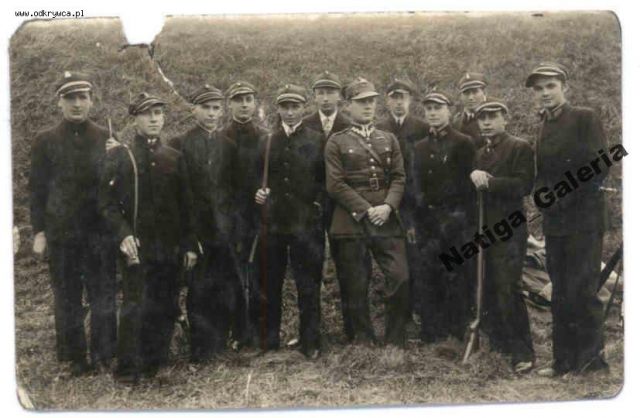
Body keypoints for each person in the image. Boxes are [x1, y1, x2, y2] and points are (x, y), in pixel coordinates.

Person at [99, 92, 198, 383]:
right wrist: (123, 234)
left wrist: (189, 245)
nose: (154, 119)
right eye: (147, 114)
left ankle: (157, 361)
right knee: (135, 303)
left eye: (158, 113)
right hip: (137, 247)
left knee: (166, 300)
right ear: (135, 120)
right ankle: (129, 368)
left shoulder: (174, 157)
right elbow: (106, 204)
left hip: (169, 246)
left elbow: (187, 206)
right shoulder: (120, 157)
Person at [29, 71, 118, 376]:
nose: (77, 104)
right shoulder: (45, 140)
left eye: (82, 97)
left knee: (103, 293)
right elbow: (37, 190)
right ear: (59, 103)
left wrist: (116, 157)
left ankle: (104, 355)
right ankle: (74, 359)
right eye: (70, 99)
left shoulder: (106, 137)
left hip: (99, 233)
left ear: (91, 101)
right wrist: (39, 232)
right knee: (67, 297)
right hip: (62, 233)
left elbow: (117, 187)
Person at [526, 63, 610, 377]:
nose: (545, 93)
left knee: (583, 290)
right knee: (560, 291)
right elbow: (543, 173)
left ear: (564, 87)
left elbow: (599, 167)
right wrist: (540, 196)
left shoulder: (584, 118)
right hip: (555, 223)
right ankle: (563, 361)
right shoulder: (543, 125)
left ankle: (590, 363)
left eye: (550, 86)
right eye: (539, 88)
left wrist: (562, 198)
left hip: (584, 219)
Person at [324, 78, 409, 347]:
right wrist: (366, 209)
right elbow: (335, 184)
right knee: (355, 283)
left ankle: (395, 339)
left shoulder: (389, 138)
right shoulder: (336, 142)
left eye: (371, 101)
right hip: (351, 221)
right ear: (348, 106)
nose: (368, 106)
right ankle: (362, 339)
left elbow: (399, 177)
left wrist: (388, 206)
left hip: (386, 219)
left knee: (400, 276)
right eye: (362, 102)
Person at [254, 84, 325, 358]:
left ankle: (310, 341)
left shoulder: (318, 140)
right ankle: (269, 341)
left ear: (304, 108)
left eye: (295, 107)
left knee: (308, 285)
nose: (291, 112)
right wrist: (257, 193)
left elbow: (325, 180)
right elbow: (254, 177)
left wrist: (316, 206)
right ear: (278, 109)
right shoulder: (267, 141)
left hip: (306, 226)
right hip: (273, 225)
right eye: (285, 107)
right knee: (270, 284)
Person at [170, 85, 238, 363]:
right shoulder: (179, 144)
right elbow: (177, 194)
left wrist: (232, 226)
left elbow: (233, 189)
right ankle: (200, 346)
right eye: (206, 108)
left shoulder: (228, 145)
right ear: (194, 110)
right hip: (196, 230)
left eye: (215, 108)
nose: (211, 114)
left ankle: (221, 341)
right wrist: (187, 237)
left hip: (223, 229)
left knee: (223, 284)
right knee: (198, 288)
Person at [469, 98, 535, 373]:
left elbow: (524, 185)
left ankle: (523, 353)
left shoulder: (519, 147)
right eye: (482, 118)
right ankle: (499, 346)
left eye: (492, 117)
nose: (486, 122)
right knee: (489, 286)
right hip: (484, 228)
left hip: (509, 228)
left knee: (509, 287)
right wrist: (475, 175)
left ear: (505, 119)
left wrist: (490, 182)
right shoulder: (480, 153)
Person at [412, 90, 476, 343]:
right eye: (428, 109)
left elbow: (469, 186)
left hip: (455, 220)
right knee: (429, 274)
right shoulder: (419, 146)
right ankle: (431, 332)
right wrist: (419, 216)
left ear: (449, 111)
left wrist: (459, 218)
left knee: (457, 275)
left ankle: (456, 330)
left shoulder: (463, 142)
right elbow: (415, 184)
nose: (433, 113)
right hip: (428, 221)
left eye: (438, 108)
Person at [376, 78, 429, 319]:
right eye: (394, 98)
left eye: (403, 98)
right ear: (387, 101)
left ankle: (417, 306)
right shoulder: (379, 128)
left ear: (410, 100)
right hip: (387, 200)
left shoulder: (422, 128)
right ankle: (398, 307)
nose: (399, 103)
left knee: (415, 253)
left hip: (415, 201)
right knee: (393, 256)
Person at [223, 81, 270, 349]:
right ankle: (236, 332)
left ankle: (258, 332)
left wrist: (266, 195)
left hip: (259, 217)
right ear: (229, 104)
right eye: (238, 100)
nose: (244, 105)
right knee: (233, 276)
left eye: (248, 99)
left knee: (259, 275)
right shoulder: (221, 137)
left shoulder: (265, 138)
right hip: (230, 218)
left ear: (255, 103)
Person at [452, 72, 488, 149]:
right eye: (466, 93)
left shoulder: (494, 118)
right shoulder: (455, 121)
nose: (470, 97)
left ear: (484, 93)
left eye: (475, 92)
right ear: (461, 96)